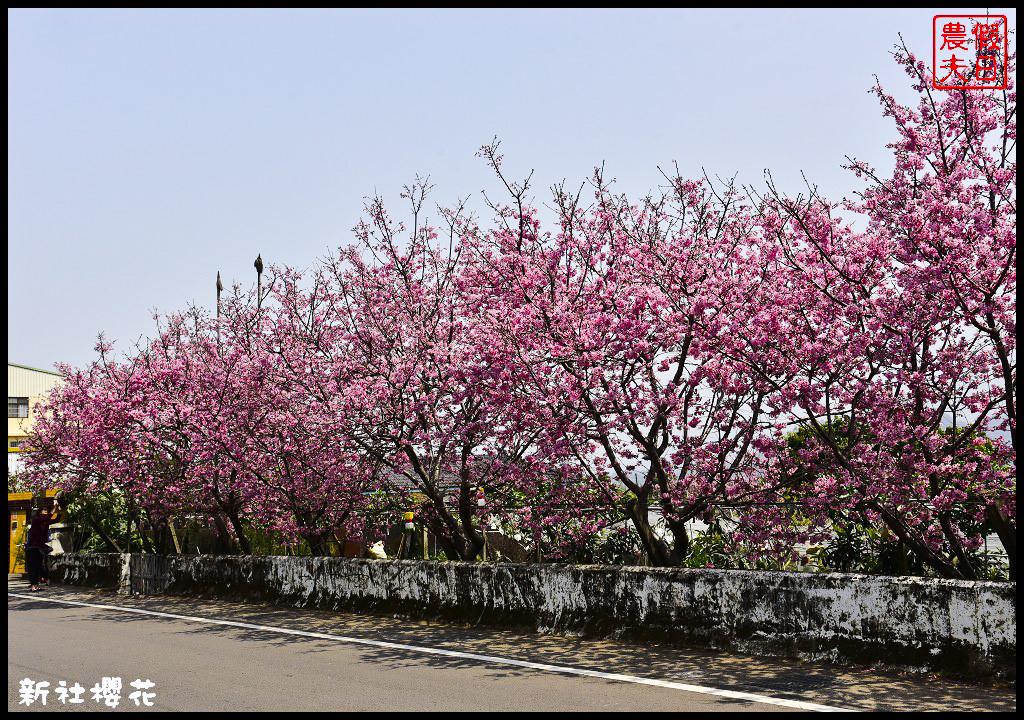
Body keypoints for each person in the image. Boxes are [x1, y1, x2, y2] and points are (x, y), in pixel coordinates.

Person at [25, 497, 61, 592]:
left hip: (40, 547)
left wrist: (59, 510)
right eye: (44, 510)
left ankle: (36, 585)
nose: (45, 511)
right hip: (32, 547)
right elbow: (48, 517)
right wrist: (54, 508)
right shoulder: (36, 520)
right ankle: (33, 586)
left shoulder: (45, 522)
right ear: (40, 512)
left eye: (46, 510)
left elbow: (56, 520)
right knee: (33, 567)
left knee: (38, 566)